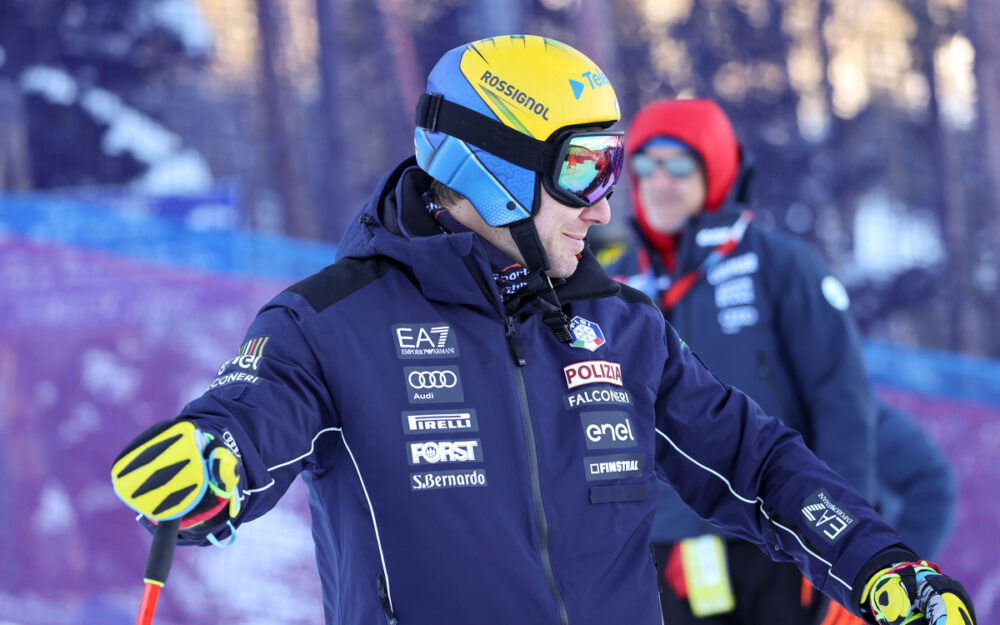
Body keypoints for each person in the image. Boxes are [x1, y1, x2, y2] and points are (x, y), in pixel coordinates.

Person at [109, 36, 974, 625]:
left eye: (614, 165)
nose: (605, 202)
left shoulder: (621, 325)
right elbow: (251, 415)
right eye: (583, 167)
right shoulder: (331, 321)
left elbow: (759, 463)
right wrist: (210, 461)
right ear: (490, 170)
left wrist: (880, 565)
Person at [601, 98, 960, 625]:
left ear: (715, 168)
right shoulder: (615, 284)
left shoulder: (781, 265)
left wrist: (848, 564)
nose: (660, 181)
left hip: (782, 546)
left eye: (678, 164)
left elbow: (843, 407)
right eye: (646, 165)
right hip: (668, 556)